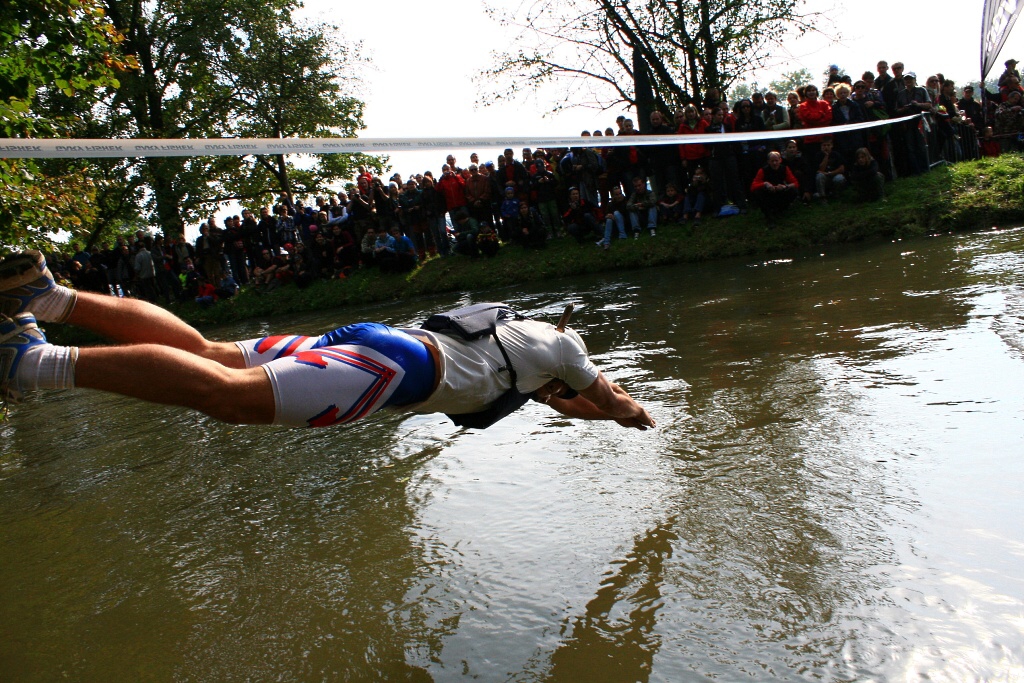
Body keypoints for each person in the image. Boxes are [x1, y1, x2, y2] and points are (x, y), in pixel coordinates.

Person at [0, 253, 655, 431]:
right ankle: (30, 362)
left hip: (378, 341)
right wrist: (636, 414)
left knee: (210, 350)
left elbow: (569, 403)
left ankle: (45, 297)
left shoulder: (522, 341)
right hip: (390, 368)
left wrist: (590, 407)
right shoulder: (566, 353)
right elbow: (607, 398)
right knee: (227, 397)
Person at [749, 151, 799, 224]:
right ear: (768, 162)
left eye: (776, 161)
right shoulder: (762, 170)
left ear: (780, 160)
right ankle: (768, 213)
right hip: (768, 194)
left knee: (793, 190)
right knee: (758, 192)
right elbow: (753, 186)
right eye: (772, 161)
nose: (775, 163)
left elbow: (795, 183)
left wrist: (785, 186)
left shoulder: (785, 168)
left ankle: (781, 209)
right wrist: (765, 184)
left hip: (781, 192)